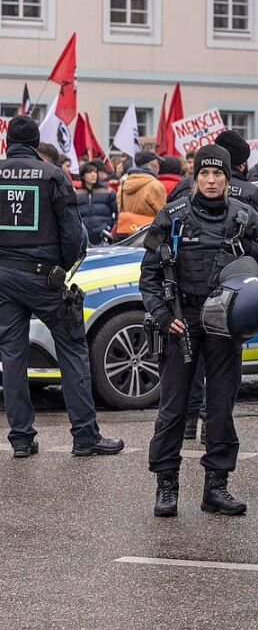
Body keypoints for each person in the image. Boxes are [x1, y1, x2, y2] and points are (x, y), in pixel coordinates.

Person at [142, 144, 258, 517]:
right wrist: (163, 314)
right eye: (205, 173)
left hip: (224, 326)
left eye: (218, 174)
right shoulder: (172, 217)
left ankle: (216, 486)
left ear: (228, 178)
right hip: (180, 322)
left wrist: (252, 261)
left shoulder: (245, 217)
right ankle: (166, 486)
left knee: (220, 408)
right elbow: (149, 278)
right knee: (173, 410)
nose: (212, 180)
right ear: (195, 176)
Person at [0, 117, 124, 458]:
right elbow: (73, 234)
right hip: (43, 277)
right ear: (37, 141)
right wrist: (63, 268)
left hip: (4, 277)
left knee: (12, 357)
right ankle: (85, 436)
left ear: (8, 141)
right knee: (72, 348)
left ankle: (22, 439)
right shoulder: (53, 175)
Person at [114, 150, 167, 238]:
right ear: (152, 164)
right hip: (148, 234)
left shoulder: (123, 184)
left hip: (127, 234)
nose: (159, 167)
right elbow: (162, 215)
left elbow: (120, 209)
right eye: (158, 163)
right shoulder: (155, 185)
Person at [76, 161, 118, 245]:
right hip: (84, 236)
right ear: (83, 176)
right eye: (89, 172)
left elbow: (118, 213)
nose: (93, 174)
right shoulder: (77, 194)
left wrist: (111, 230)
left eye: (95, 172)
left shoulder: (108, 192)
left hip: (104, 235)